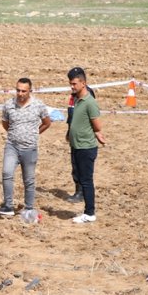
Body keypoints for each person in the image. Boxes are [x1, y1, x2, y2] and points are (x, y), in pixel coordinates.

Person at [0, 78, 52, 217]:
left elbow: (46, 122)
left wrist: (34, 133)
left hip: (29, 148)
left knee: (29, 179)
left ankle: (28, 208)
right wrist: (15, 134)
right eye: (18, 90)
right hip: (12, 146)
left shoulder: (38, 105)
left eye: (23, 91)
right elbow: (5, 123)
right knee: (7, 173)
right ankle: (8, 206)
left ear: (30, 91)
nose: (20, 93)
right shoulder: (8, 105)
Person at [66, 67, 105, 223]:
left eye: (74, 83)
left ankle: (89, 212)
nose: (72, 86)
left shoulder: (90, 102)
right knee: (82, 178)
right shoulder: (76, 100)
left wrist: (97, 134)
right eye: (70, 84)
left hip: (86, 147)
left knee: (87, 180)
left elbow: (97, 126)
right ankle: (88, 211)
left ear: (83, 83)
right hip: (77, 145)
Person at [66, 71, 97, 203]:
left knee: (83, 169)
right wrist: (69, 131)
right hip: (74, 136)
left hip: (84, 140)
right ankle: (78, 190)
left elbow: (92, 118)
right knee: (75, 164)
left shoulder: (86, 96)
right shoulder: (74, 96)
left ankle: (82, 193)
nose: (72, 86)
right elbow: (71, 114)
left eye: (73, 83)